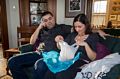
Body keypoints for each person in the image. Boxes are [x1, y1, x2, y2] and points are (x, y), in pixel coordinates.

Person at [8, 11, 72, 79]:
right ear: (43, 22)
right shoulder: (42, 30)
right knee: (12, 61)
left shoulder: (62, 27)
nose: (49, 21)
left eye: (50, 18)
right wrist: (39, 27)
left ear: (53, 18)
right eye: (45, 20)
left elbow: (76, 28)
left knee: (40, 65)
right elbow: (31, 42)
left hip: (52, 56)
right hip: (38, 53)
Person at [43, 13, 100, 79]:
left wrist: (85, 45)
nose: (77, 29)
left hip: (81, 62)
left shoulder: (92, 37)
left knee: (60, 75)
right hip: (68, 60)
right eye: (75, 27)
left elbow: (93, 58)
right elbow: (61, 48)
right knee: (50, 73)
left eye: (80, 27)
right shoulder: (72, 35)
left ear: (86, 25)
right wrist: (59, 42)